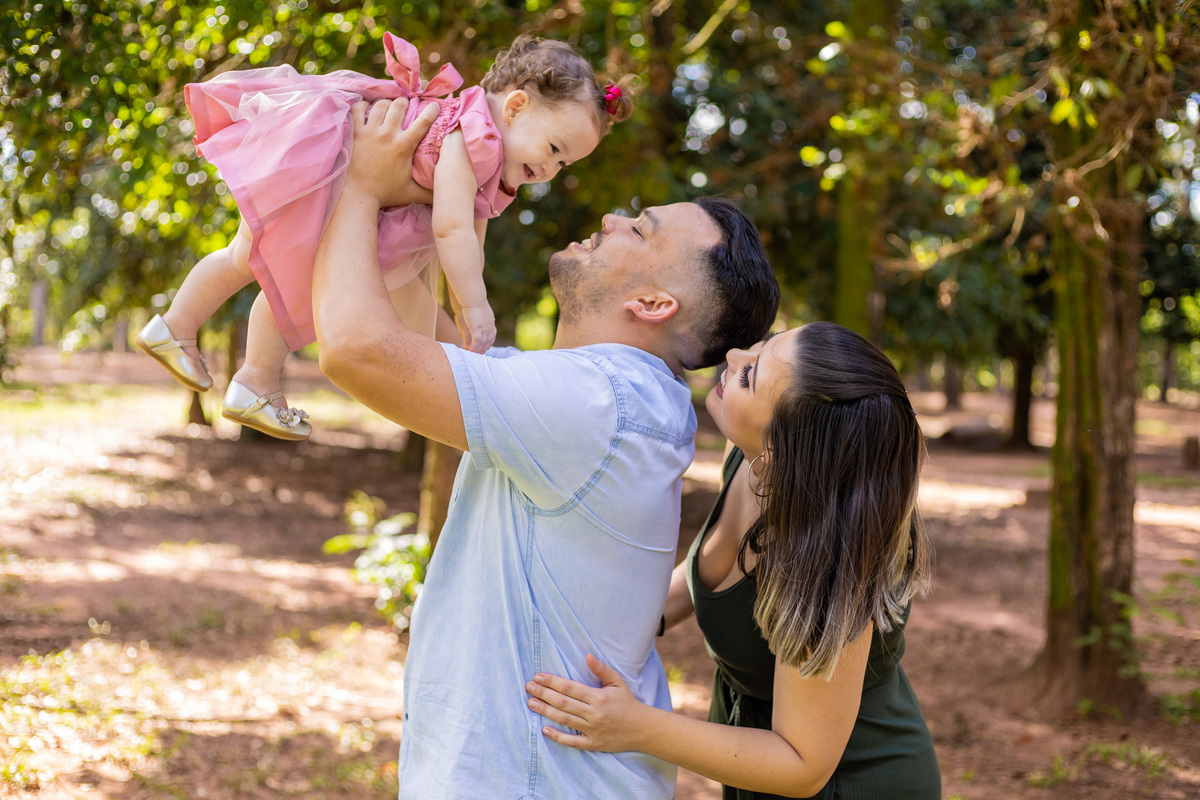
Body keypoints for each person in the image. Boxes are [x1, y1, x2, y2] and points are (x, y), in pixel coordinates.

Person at [310, 96, 779, 798]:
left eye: (641, 229)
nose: (613, 219)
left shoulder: (603, 405)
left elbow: (356, 351)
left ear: (654, 304)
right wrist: (413, 211)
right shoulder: (606, 398)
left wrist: (359, 187)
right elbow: (416, 341)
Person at [136, 32, 634, 441]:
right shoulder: (471, 134)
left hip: (332, 170)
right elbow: (452, 226)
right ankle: (242, 371)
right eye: (553, 148)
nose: (549, 168)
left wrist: (466, 298)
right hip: (330, 169)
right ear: (516, 107)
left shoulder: (489, 153)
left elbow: (471, 235)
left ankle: (193, 339)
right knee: (275, 273)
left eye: (563, 162)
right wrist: (475, 306)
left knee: (256, 264)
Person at [524, 321, 941, 799]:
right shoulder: (751, 456)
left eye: (750, 376)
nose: (736, 355)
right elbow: (710, 578)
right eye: (763, 346)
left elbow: (801, 764)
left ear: (783, 452)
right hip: (755, 761)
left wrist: (635, 726)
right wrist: (606, 620)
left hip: (848, 782)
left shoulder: (824, 561)